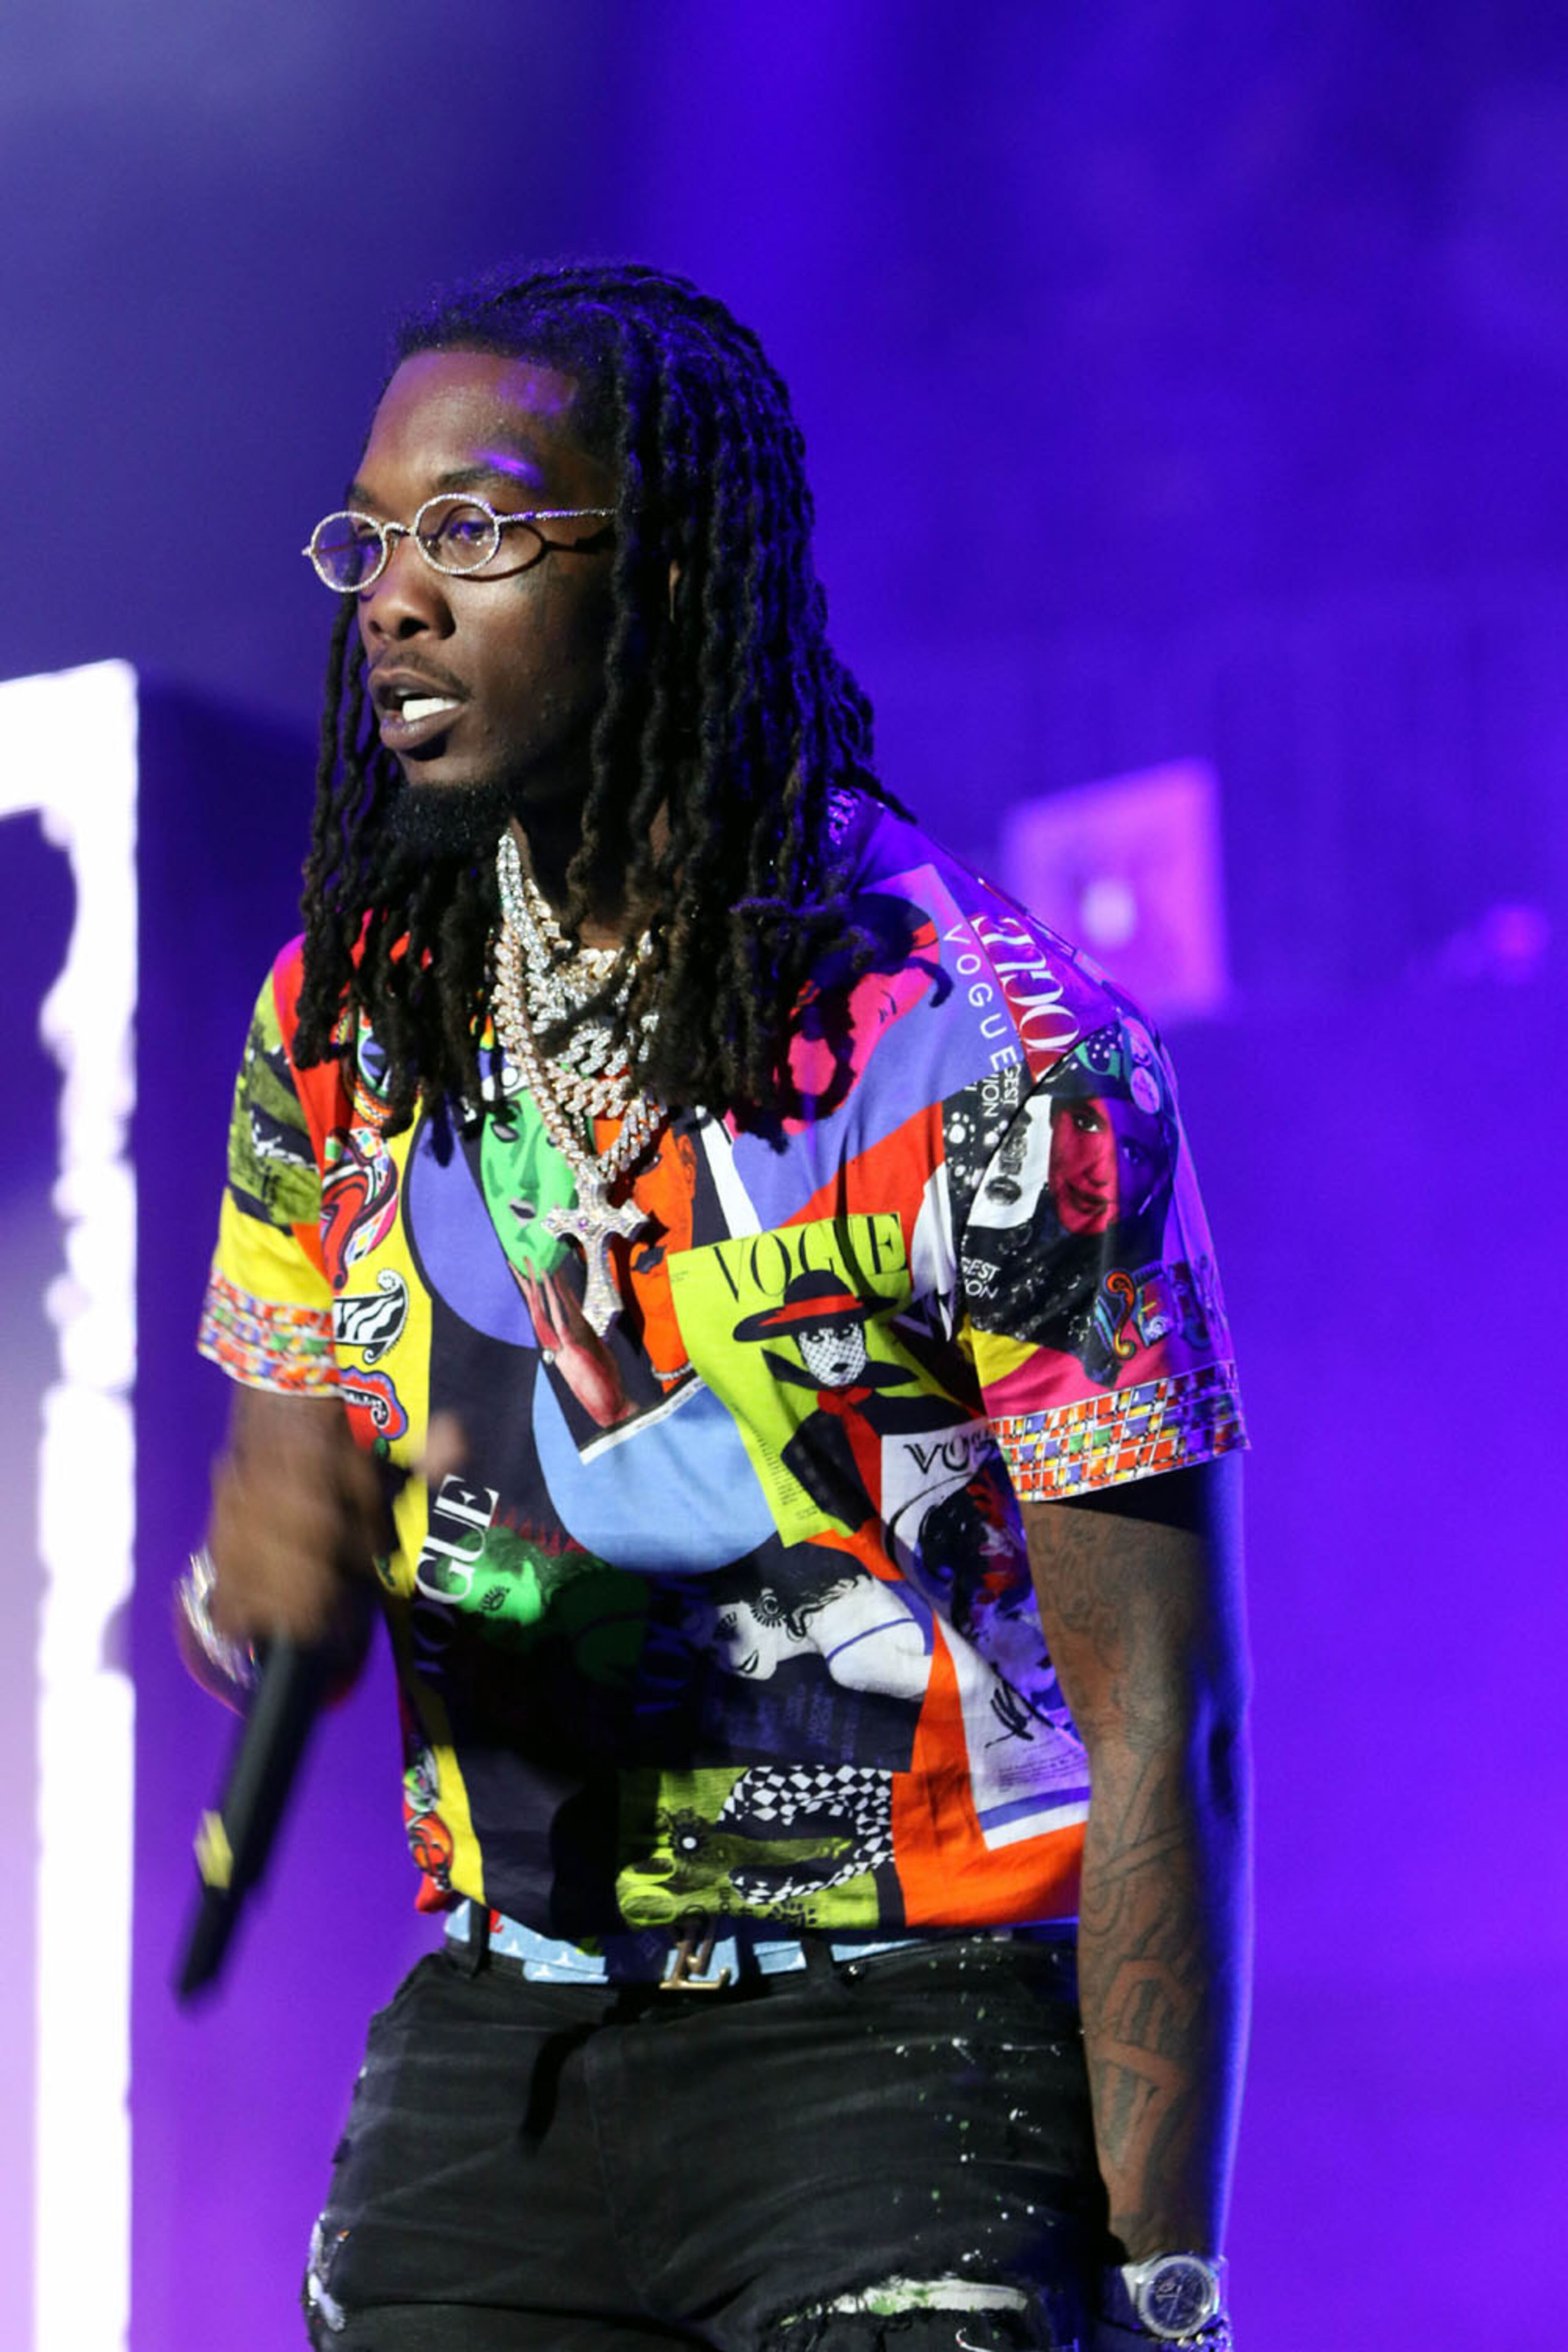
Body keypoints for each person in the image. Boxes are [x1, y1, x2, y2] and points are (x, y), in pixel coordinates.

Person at [183, 261, 1251, 2352]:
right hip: (513, 2036)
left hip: (911, 2048)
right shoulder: (345, 1032)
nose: (392, 595)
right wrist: (262, 1581)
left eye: (472, 531)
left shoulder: (990, 1059)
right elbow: (283, 1494)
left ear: (665, 570)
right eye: (370, 539)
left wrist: (1169, 2282)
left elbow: (1164, 1733)